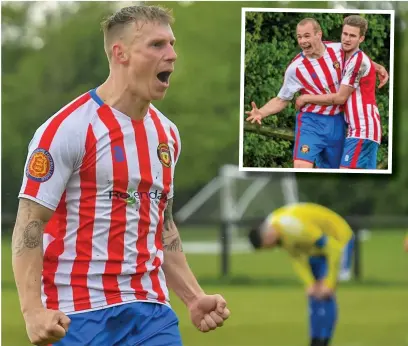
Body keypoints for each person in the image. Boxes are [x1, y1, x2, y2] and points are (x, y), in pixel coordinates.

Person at [12, 5, 230, 346]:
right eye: (157, 45)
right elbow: (30, 221)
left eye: (172, 44)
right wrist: (31, 311)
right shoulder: (68, 129)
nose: (172, 54)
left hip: (152, 313)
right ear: (120, 52)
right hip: (78, 315)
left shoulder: (167, 135)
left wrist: (192, 296)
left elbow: (163, 224)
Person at [245, 18, 388, 169]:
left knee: (334, 174)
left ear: (318, 35)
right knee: (301, 166)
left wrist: (378, 67)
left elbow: (358, 59)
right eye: (299, 37)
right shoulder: (295, 68)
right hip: (311, 122)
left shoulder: (338, 49)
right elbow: (282, 99)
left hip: (337, 121)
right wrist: (261, 112)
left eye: (306, 36)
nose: (302, 41)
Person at [247, 203, 354, 346]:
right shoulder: (275, 229)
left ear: (268, 237)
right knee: (314, 295)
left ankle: (324, 340)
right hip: (314, 249)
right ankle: (315, 340)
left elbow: (333, 248)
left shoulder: (295, 229)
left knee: (326, 295)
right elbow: (296, 257)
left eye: (269, 246)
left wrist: (329, 283)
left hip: (339, 239)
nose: (272, 248)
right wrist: (310, 284)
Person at [295, 15, 384, 169]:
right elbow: (364, 61)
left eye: (352, 36)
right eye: (345, 34)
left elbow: (340, 98)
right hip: (359, 130)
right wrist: (379, 67)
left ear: (361, 39)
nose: (347, 39)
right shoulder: (346, 55)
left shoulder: (357, 61)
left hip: (362, 130)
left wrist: (306, 98)